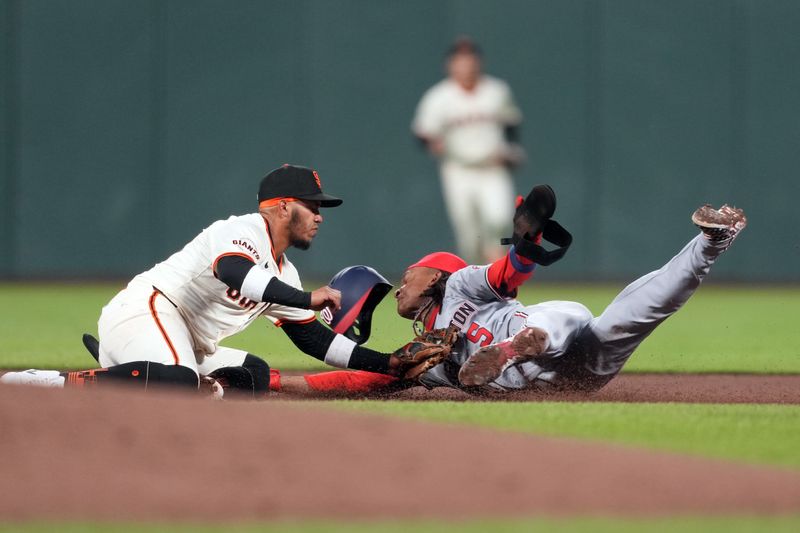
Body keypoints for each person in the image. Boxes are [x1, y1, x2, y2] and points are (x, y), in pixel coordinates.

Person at [1, 164, 435, 395]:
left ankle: (135, 372)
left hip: (180, 341)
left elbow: (315, 342)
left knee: (254, 376)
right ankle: (49, 383)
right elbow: (235, 272)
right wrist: (308, 299)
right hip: (145, 312)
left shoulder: (285, 271)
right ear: (282, 206)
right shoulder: (240, 230)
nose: (319, 217)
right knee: (180, 383)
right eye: (312, 206)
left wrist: (388, 364)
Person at [269, 195, 747, 395]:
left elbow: (508, 274)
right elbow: (360, 382)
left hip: (560, 346)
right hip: (563, 386)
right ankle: (513, 351)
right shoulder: (419, 358)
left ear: (435, 275)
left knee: (613, 316)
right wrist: (271, 383)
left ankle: (711, 242)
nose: (402, 283)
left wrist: (528, 241)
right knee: (614, 320)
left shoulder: (461, 283)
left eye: (411, 272)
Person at [412, 37, 525, 264]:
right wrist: (433, 143)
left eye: (471, 61)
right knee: (469, 235)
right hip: (458, 169)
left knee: (500, 220)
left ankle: (498, 278)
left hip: (492, 167)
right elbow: (422, 133)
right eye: (460, 61)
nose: (466, 66)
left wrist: (512, 149)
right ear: (450, 65)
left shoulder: (496, 90)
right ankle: (477, 282)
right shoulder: (439, 97)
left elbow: (511, 123)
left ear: (479, 63)